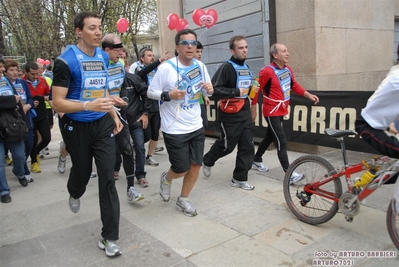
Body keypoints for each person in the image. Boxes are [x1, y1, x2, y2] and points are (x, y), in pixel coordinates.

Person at [51, 11, 125, 257]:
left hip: (101, 124)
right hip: (76, 125)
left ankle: (109, 237)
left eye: (99, 27)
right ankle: (75, 191)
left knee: (107, 180)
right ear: (78, 32)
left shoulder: (104, 57)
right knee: (82, 172)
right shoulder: (65, 61)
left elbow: (101, 87)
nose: (97, 32)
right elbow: (57, 103)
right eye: (91, 28)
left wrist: (112, 113)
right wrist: (87, 105)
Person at [147, 29, 213, 216]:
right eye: (185, 43)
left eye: (193, 43)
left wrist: (210, 89)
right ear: (177, 47)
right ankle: (166, 179)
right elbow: (150, 92)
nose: (190, 46)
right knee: (181, 168)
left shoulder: (200, 66)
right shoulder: (166, 68)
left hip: (196, 125)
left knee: (195, 166)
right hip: (174, 127)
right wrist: (169, 95)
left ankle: (183, 199)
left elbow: (208, 92)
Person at [251, 43, 319, 184]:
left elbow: (294, 85)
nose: (287, 53)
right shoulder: (267, 71)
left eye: (287, 51)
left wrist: (308, 95)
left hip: (282, 110)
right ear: (275, 55)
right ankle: (289, 173)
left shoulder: (288, 69)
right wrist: (253, 108)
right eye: (284, 51)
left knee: (270, 137)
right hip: (271, 111)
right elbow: (255, 89)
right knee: (281, 140)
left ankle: (256, 159)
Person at [202, 35, 257, 190]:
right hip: (230, 114)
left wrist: (252, 91)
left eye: (246, 47)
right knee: (227, 146)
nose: (245, 50)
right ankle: (207, 160)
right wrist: (235, 91)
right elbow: (214, 90)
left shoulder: (246, 67)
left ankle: (239, 178)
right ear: (232, 50)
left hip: (244, 111)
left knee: (247, 146)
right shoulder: (226, 67)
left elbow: (246, 90)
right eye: (241, 48)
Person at [101, 32, 144, 200]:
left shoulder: (119, 65)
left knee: (127, 149)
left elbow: (123, 87)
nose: (121, 53)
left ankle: (130, 188)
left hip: (119, 113)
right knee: (109, 154)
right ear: (107, 49)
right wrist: (108, 100)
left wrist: (124, 98)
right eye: (118, 49)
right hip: (100, 114)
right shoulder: (97, 64)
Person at [0, 55, 29, 203]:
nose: (3, 69)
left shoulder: (6, 82)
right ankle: (4, 190)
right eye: (0, 67)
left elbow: (17, 102)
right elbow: (12, 100)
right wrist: (10, 100)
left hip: (11, 124)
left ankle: (19, 173)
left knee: (19, 156)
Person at [134, 47, 169, 167]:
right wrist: (159, 60)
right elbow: (143, 72)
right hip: (145, 106)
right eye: (149, 55)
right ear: (142, 58)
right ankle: (137, 150)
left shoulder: (157, 70)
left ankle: (149, 156)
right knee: (146, 135)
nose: (152, 57)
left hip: (157, 105)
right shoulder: (140, 69)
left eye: (153, 55)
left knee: (155, 134)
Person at [4, 59, 35, 183]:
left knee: (29, 144)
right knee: (19, 151)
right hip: (11, 120)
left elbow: (30, 99)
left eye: (16, 70)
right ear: (5, 72)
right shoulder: (3, 83)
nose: (14, 72)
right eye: (11, 70)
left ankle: (20, 167)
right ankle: (23, 171)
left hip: (25, 118)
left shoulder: (22, 82)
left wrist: (28, 106)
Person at [22, 62, 51, 173]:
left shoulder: (42, 81)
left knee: (46, 137)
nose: (35, 77)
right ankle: (34, 162)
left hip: (42, 113)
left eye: (37, 74)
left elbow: (48, 94)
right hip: (29, 115)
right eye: (32, 74)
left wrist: (46, 98)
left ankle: (35, 152)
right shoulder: (22, 83)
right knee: (33, 140)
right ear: (26, 72)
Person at [193, 41, 210, 129]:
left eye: (201, 52)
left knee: (203, 125)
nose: (200, 54)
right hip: (189, 104)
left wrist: (205, 95)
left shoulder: (201, 65)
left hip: (200, 100)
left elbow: (204, 83)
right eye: (197, 52)